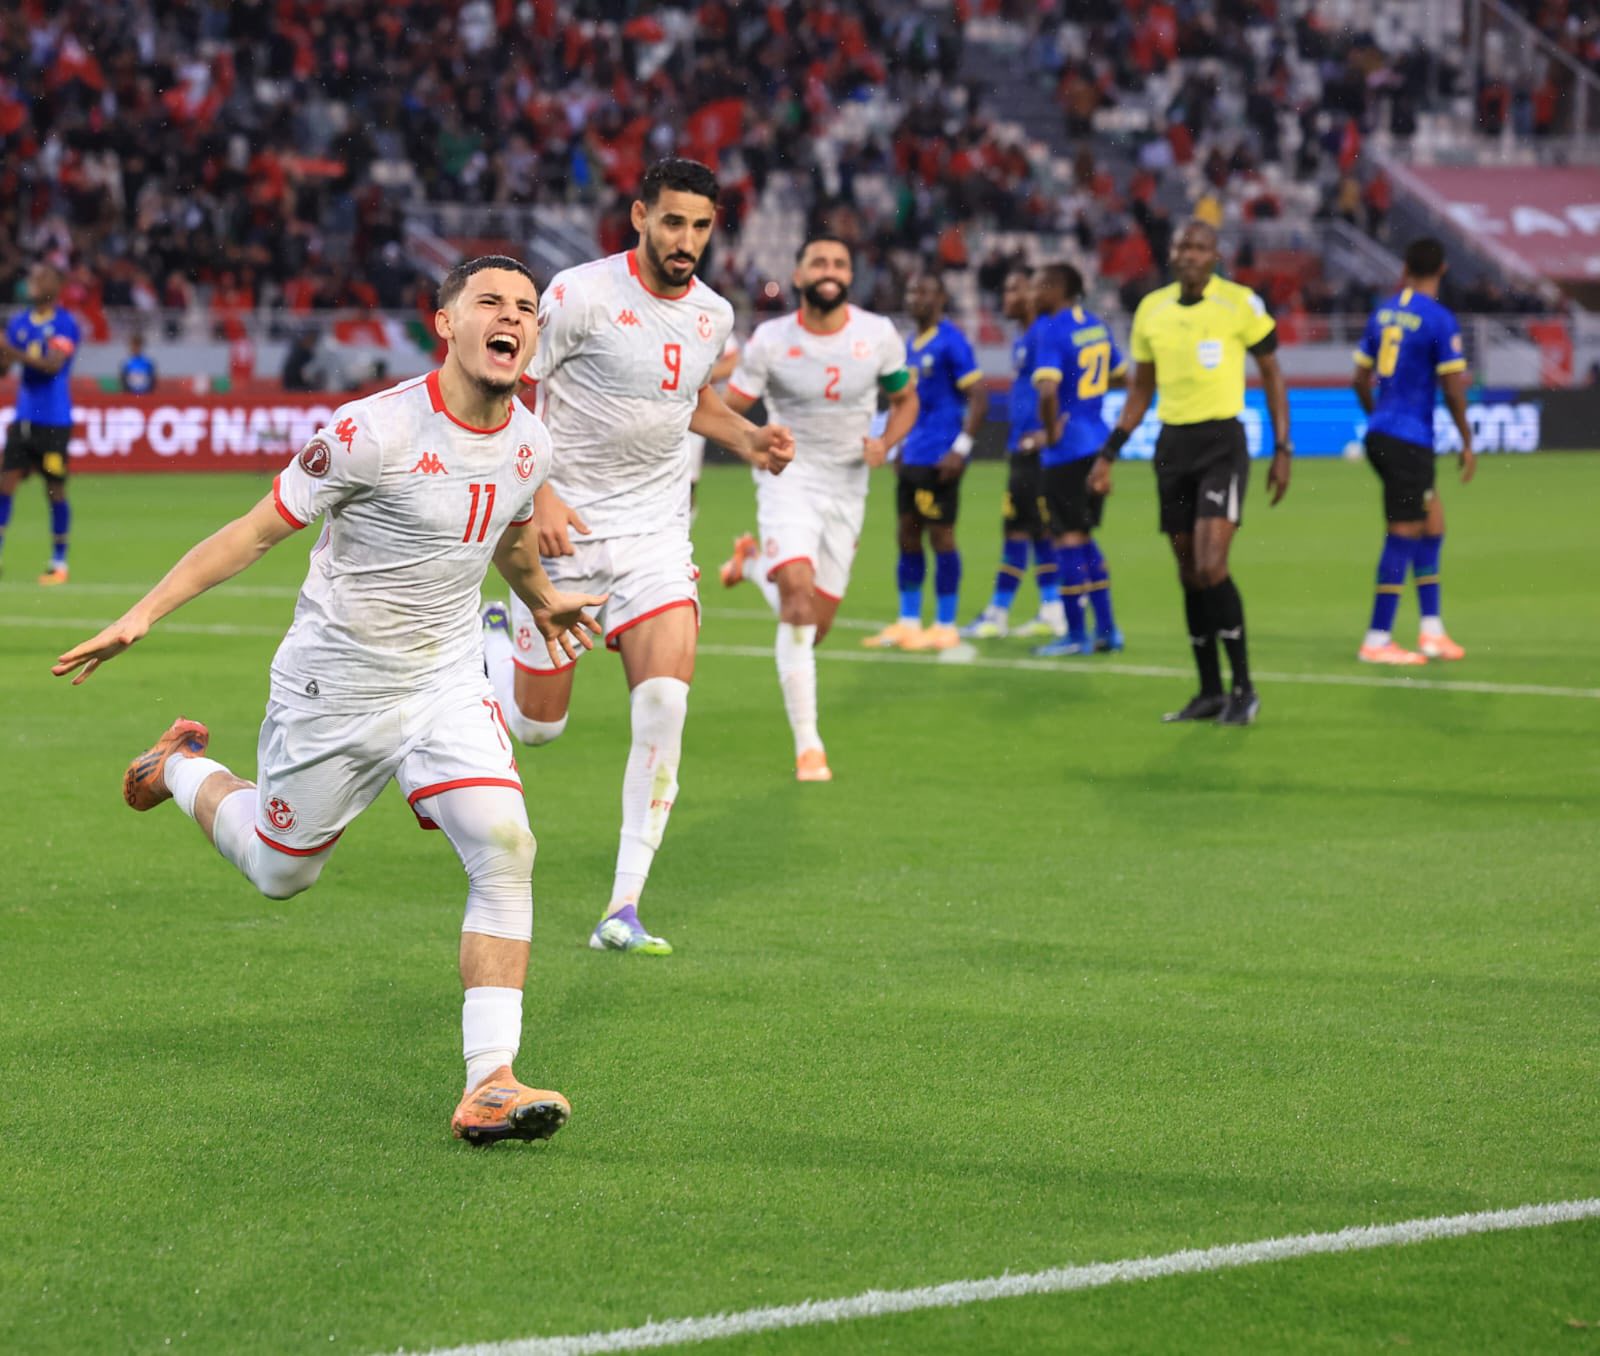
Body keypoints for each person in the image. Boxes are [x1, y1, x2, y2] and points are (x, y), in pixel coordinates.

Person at [51, 256, 606, 1146]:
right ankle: (180, 768)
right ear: (445, 323)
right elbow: (253, 532)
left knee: (506, 846)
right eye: (491, 303)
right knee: (281, 873)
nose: (512, 317)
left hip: (445, 678)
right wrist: (141, 615)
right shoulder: (371, 431)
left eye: (527, 308)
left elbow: (504, 536)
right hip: (335, 685)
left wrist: (540, 598)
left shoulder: (530, 444)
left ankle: (489, 1080)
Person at [480, 159, 794, 956]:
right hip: (566, 537)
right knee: (537, 728)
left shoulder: (714, 314)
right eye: (673, 222)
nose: (687, 240)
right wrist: (540, 494)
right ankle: (494, 647)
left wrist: (750, 438)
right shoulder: (580, 294)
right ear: (641, 217)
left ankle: (623, 906)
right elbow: (504, 385)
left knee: (664, 708)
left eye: (701, 226)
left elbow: (691, 399)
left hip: (657, 536)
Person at [715, 235, 917, 779]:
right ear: (799, 276)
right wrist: (755, 445)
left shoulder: (877, 334)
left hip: (848, 487)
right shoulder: (771, 340)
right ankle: (809, 745)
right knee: (798, 605)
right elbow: (729, 409)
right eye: (819, 262)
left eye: (840, 264)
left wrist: (887, 442)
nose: (830, 271)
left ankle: (751, 564)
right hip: (789, 479)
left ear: (850, 276)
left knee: (813, 628)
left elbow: (905, 399)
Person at [1089, 220, 1291, 726]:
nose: (1189, 254)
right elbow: (1141, 389)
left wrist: (1283, 447)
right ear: (1172, 254)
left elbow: (1271, 372)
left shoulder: (1240, 304)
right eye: (1183, 246)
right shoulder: (1151, 310)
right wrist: (1109, 453)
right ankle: (1208, 691)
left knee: (1211, 564)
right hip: (1173, 445)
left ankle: (1243, 688)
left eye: (1199, 247)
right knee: (1188, 573)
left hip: (1222, 443)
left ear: (1215, 255)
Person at [1351, 237, 1475, 664]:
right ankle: (1377, 638)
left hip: (1384, 432)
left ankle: (1432, 631)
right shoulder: (1439, 319)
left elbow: (1358, 379)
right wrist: (1467, 439)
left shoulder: (1383, 312)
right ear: (1442, 270)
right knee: (1403, 532)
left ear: (1404, 268)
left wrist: (1379, 418)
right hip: (1410, 437)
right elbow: (1453, 389)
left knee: (1432, 522)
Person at [863, 272, 986, 651]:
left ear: (941, 298)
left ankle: (945, 624)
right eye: (912, 290)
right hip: (913, 455)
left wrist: (961, 448)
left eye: (925, 291)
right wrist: (898, 445)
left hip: (941, 457)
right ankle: (908, 622)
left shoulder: (952, 341)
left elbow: (980, 397)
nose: (915, 297)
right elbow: (903, 403)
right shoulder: (908, 345)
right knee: (907, 533)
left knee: (941, 536)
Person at [1029, 263, 1127, 658]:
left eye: (1039, 285)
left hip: (1067, 449)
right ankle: (1107, 629)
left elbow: (1047, 390)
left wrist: (1051, 430)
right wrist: (1087, 398)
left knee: (1067, 539)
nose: (1034, 293)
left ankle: (1075, 635)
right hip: (1096, 443)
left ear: (1057, 287)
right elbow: (1121, 376)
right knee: (1084, 536)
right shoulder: (1096, 325)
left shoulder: (1052, 330)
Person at [962, 268, 1062, 640]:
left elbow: (1060, 387)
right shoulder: (1025, 336)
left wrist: (1047, 432)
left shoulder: (1042, 334)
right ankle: (1043, 609)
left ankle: (1007, 612)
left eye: (1014, 289)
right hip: (1022, 448)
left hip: (1036, 451)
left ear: (1034, 294)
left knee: (1025, 529)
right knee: (1030, 530)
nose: (1006, 297)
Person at [0, 260, 80, 585]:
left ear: (55, 286)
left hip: (54, 421)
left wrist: (11, 351)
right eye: (32, 275)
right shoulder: (19, 322)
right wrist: (3, 356)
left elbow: (52, 366)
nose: (33, 280)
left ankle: (59, 563)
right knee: (4, 483)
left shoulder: (65, 323)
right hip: (24, 418)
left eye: (41, 276)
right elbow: (5, 369)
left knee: (54, 490)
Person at [684, 334, 741, 521]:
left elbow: (733, 360)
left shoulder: (707, 319)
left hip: (694, 411)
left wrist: (699, 376)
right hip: (653, 411)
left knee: (687, 484)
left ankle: (685, 529)